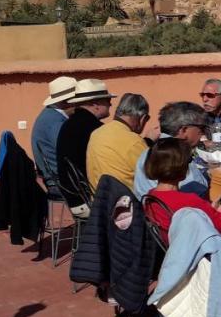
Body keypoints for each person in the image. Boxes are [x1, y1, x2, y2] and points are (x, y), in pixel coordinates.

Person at [142, 138, 221, 242]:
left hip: (173, 250)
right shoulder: (188, 201)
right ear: (180, 166)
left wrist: (210, 208)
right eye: (189, 160)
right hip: (197, 253)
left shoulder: (150, 197)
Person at [56, 79, 114, 216]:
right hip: (85, 200)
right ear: (96, 104)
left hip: (73, 196)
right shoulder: (94, 129)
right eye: (107, 101)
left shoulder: (70, 124)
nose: (111, 104)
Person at [133, 101, 211, 199]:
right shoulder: (176, 154)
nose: (202, 133)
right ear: (184, 130)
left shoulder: (148, 153)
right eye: (202, 128)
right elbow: (196, 194)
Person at [85, 93, 151, 191]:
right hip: (126, 202)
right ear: (142, 118)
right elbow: (151, 176)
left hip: (98, 200)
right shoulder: (134, 141)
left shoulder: (97, 133)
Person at [31, 75, 76, 198]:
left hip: (56, 180)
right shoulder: (55, 122)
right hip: (60, 184)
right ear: (67, 101)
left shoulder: (50, 115)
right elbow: (69, 153)